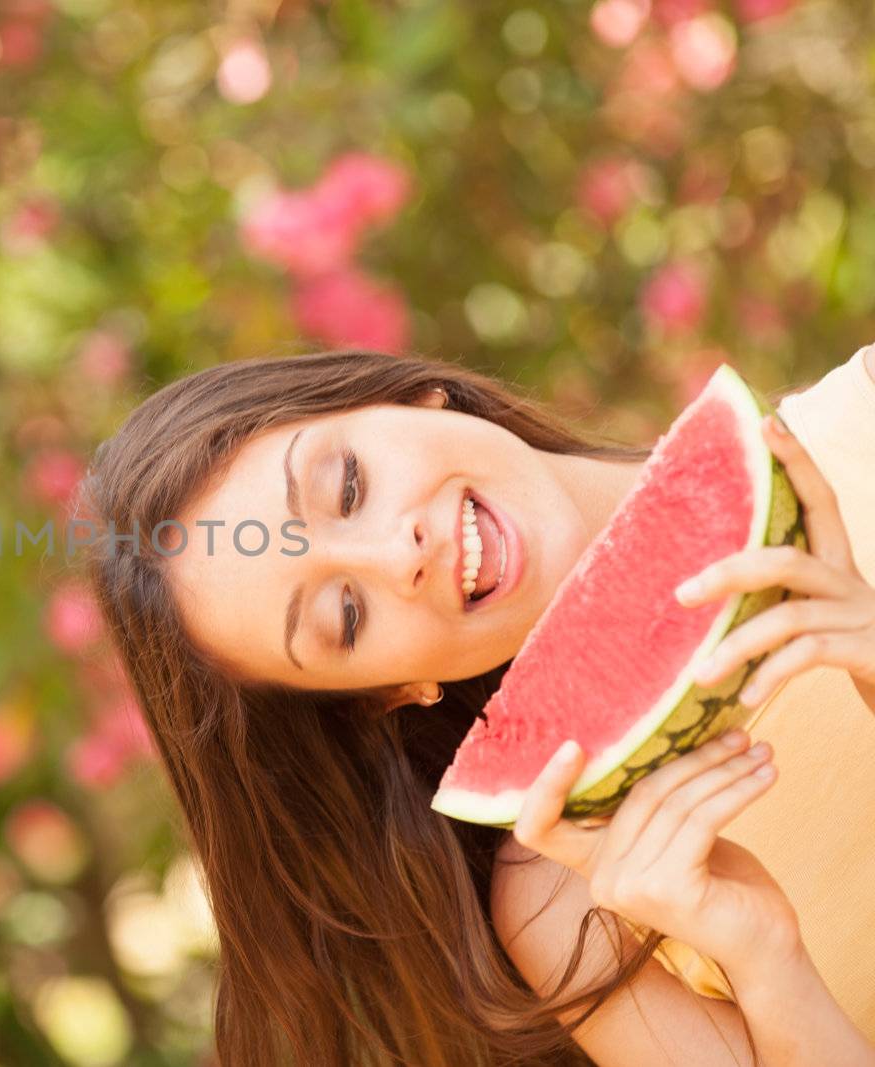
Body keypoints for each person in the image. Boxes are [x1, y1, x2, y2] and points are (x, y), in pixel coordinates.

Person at [76, 346, 875, 1066]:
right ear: (390, 693)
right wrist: (769, 962)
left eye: (347, 484)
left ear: (413, 394)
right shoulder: (570, 904)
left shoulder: (860, 422)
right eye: (344, 616)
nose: (398, 554)